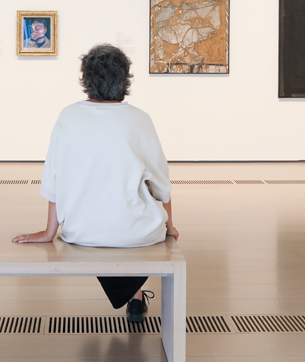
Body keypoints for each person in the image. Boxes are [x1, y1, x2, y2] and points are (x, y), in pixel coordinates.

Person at [12, 43, 179, 322]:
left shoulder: (68, 116)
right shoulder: (139, 119)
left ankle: (135, 296)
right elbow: (161, 185)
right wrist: (170, 227)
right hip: (138, 232)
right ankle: (135, 297)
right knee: (132, 210)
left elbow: (53, 179)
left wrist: (49, 231)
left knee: (103, 219)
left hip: (82, 232)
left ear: (86, 79)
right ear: (125, 79)